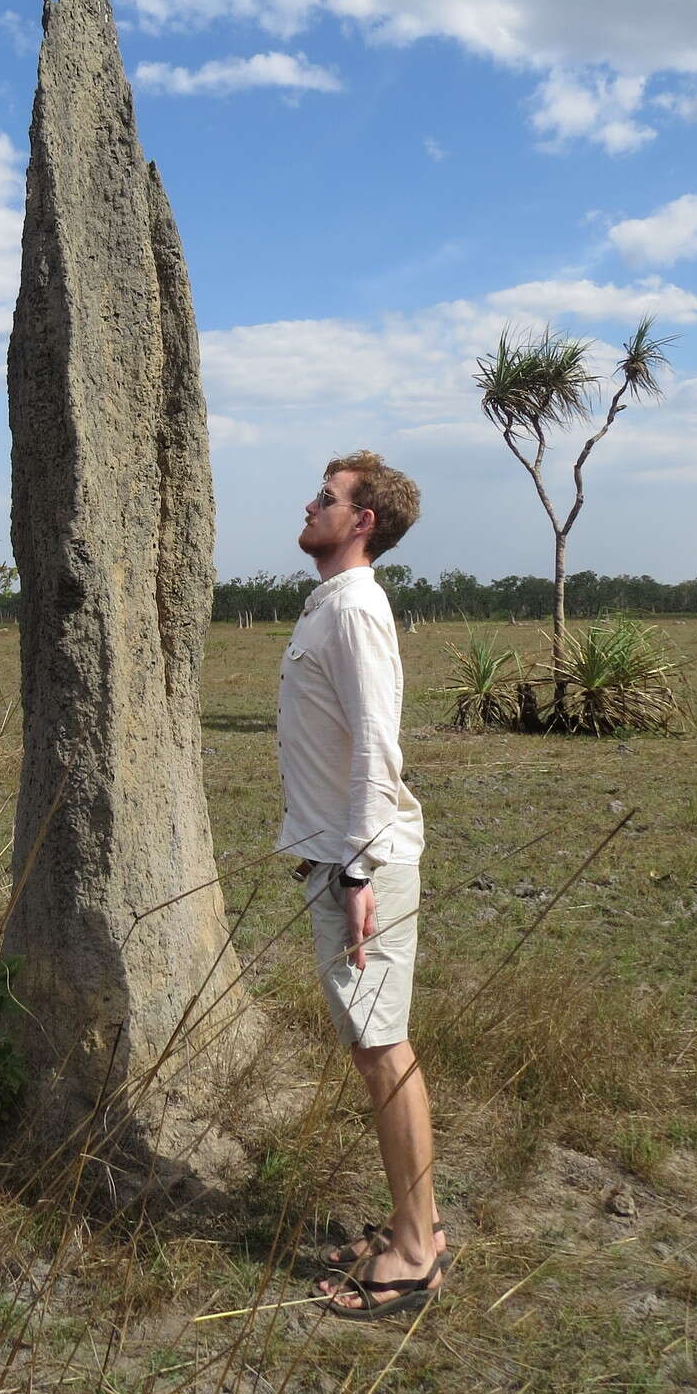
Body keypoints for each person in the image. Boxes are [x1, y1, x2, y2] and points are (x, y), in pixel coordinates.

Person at [276, 451, 449, 1319]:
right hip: (344, 859)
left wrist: (356, 868)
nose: (311, 504)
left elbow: (379, 744)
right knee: (376, 1045)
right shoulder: (332, 604)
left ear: (364, 521)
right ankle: (415, 1222)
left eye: (328, 498)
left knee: (384, 1051)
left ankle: (415, 1254)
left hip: (360, 868)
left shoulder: (354, 609)